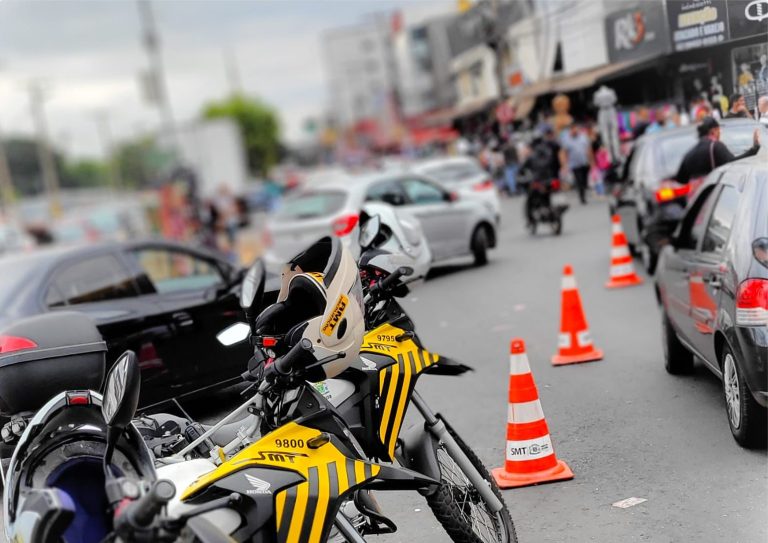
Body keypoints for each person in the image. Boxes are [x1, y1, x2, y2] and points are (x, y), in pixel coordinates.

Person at [675, 117, 761, 184]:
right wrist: (754, 150)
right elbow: (732, 163)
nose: (720, 133)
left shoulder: (689, 154)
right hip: (715, 195)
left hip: (697, 198)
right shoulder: (716, 146)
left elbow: (681, 179)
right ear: (713, 131)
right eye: (719, 130)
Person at [559, 123, 593, 204]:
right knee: (579, 180)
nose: (575, 130)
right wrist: (564, 164)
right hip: (574, 164)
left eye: (576, 129)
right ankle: (582, 197)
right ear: (571, 130)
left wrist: (592, 161)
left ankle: (584, 191)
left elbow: (588, 149)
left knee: (584, 180)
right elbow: (564, 152)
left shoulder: (583, 137)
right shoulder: (567, 140)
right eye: (573, 129)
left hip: (584, 162)